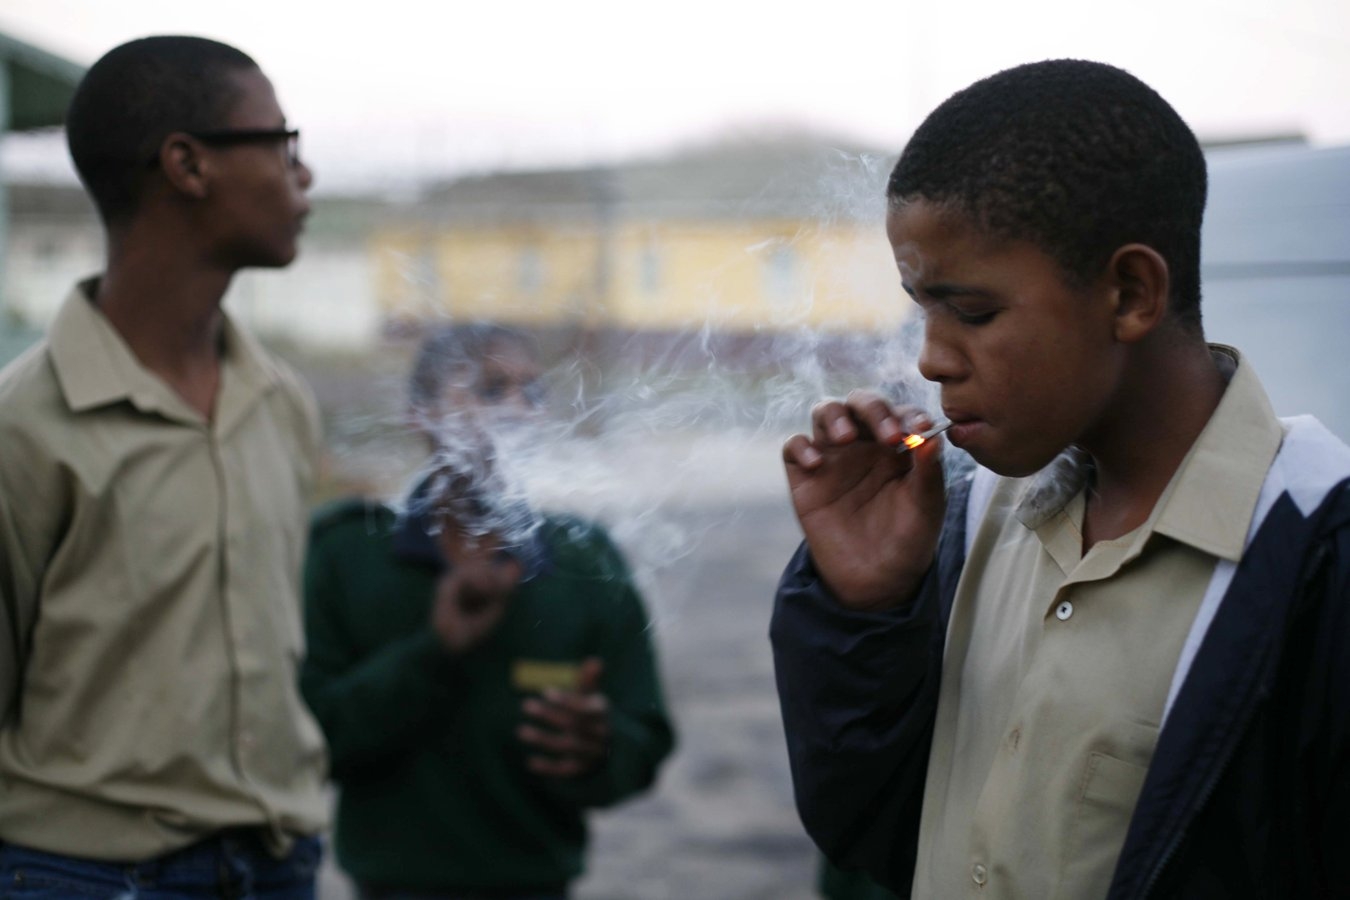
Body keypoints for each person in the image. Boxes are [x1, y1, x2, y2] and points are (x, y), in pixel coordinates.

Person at [771, 59, 1350, 900]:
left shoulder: (1315, 566)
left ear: (1129, 292)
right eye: (920, 307)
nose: (929, 357)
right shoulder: (963, 523)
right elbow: (870, 830)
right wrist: (864, 612)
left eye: (971, 313)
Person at [0, 36, 326, 895]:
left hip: (279, 861)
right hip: (84, 877)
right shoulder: (21, 429)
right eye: (281, 142)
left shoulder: (280, 402)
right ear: (187, 164)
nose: (306, 176)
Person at [301, 323, 675, 899]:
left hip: (539, 885)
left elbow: (644, 741)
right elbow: (308, 743)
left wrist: (598, 749)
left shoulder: (584, 560)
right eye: (490, 390)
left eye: (533, 393)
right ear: (420, 414)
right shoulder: (349, 555)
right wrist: (434, 652)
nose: (518, 411)